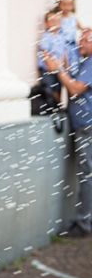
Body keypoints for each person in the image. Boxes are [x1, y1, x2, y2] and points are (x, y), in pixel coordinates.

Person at [44, 29, 92, 238]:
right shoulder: (86, 62)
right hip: (84, 126)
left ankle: (84, 224)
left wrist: (57, 70)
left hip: (87, 127)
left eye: (85, 39)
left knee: (87, 176)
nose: (79, 43)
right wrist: (62, 67)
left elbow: (75, 89)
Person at [37, 7, 66, 105]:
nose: (54, 23)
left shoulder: (61, 37)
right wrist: (51, 65)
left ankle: (58, 106)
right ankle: (52, 106)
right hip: (47, 69)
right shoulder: (46, 36)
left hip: (58, 69)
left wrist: (65, 66)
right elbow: (45, 52)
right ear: (46, 23)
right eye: (52, 21)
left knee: (58, 88)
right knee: (49, 89)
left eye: (57, 20)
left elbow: (63, 53)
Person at [55, 0, 85, 66]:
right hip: (63, 47)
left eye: (69, 4)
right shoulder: (58, 19)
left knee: (75, 64)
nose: (66, 7)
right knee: (65, 65)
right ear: (59, 5)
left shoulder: (73, 18)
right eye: (64, 4)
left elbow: (83, 29)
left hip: (73, 46)